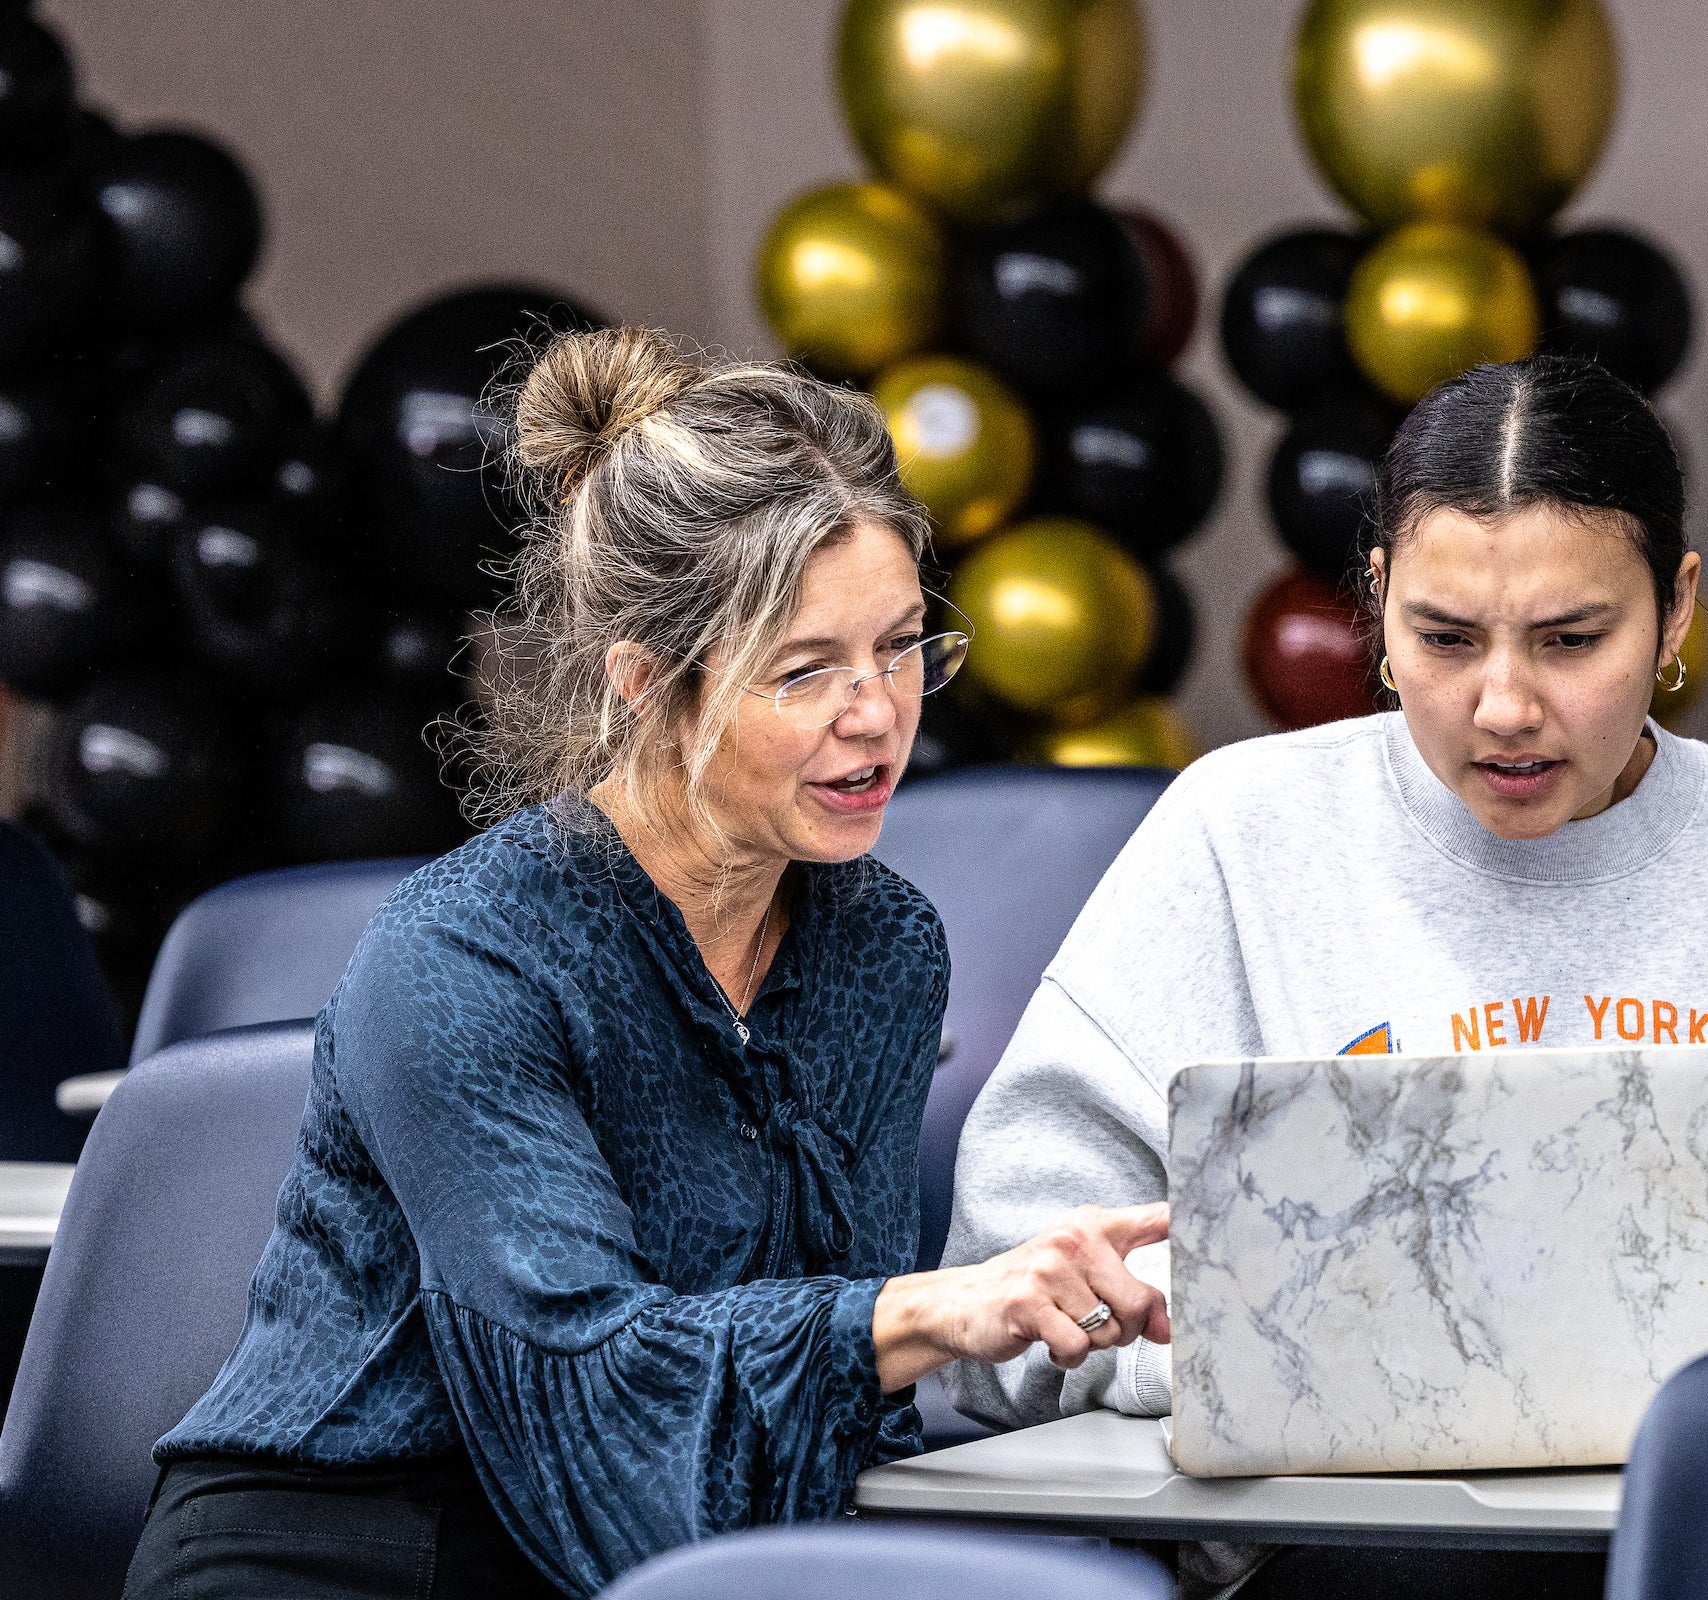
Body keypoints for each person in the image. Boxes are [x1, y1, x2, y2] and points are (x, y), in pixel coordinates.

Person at [943, 354, 1708, 1591]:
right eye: (1445, 638)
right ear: (1377, 601)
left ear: (1676, 609)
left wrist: (1421, 1338)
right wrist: (1225, 1354)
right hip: (1337, 1562)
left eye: (1572, 640)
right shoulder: (1239, 838)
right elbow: (1018, 1268)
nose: (1505, 703)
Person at [123, 329, 1168, 1600]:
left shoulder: (884, 945)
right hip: (349, 1551)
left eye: (902, 647)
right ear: (646, 684)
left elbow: (825, 1426)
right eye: (806, 671)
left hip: (668, 1544)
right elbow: (588, 1384)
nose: (880, 714)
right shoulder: (463, 954)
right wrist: (925, 1313)